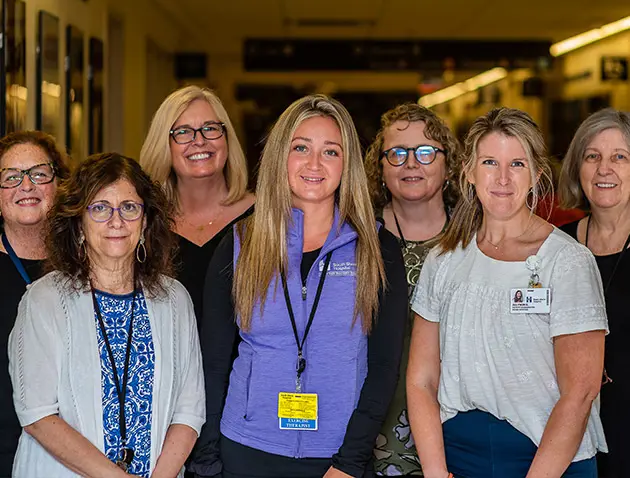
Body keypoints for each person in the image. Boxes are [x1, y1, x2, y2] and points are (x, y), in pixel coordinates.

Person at [189, 95, 407, 478]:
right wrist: (208, 462)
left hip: (337, 457)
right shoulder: (240, 243)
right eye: (301, 148)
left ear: (347, 164)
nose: (314, 164)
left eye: (331, 151)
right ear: (280, 156)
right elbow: (213, 361)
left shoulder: (378, 249)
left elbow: (385, 367)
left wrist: (350, 462)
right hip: (246, 449)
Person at [407, 108, 608, 478]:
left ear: (536, 174)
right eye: (489, 162)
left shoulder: (567, 262)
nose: (502, 178)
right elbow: (422, 380)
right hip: (458, 459)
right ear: (468, 171)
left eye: (516, 163)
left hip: (550, 462)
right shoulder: (444, 260)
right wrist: (435, 473)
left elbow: (580, 393)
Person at [9, 153, 205, 478]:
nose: (116, 221)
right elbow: (38, 415)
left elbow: (190, 410)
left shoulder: (174, 300)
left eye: (129, 207)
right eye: (99, 208)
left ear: (145, 222)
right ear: (79, 223)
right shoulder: (44, 300)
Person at [364, 104, 460, 477]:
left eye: (425, 152)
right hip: (372, 429)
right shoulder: (354, 240)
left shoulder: (478, 240)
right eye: (397, 153)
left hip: (456, 425)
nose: (410, 163)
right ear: (381, 167)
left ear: (448, 165)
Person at [140, 85, 254, 323]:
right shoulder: (145, 225)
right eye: (183, 132)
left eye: (210, 128)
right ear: (164, 145)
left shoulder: (265, 217)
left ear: (227, 139)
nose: (199, 141)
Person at [559, 108, 630, 478]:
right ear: (578, 167)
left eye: (620, 156)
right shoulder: (556, 247)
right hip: (571, 429)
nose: (605, 168)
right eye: (593, 156)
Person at [0, 131, 70, 476]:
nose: (25, 185)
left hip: (72, 450)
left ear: (59, 184)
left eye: (39, 174)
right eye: (10, 177)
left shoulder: (86, 265)